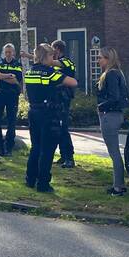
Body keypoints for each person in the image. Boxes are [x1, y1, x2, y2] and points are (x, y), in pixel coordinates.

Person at [23, 43, 77, 192]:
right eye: (51, 56)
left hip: (33, 112)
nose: (53, 58)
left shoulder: (29, 72)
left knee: (36, 147)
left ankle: (30, 179)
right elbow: (73, 82)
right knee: (47, 150)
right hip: (48, 114)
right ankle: (43, 184)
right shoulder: (50, 73)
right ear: (45, 57)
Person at [96, 47, 129, 196]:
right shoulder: (118, 73)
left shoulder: (110, 74)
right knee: (115, 152)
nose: (98, 61)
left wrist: (101, 106)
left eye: (100, 58)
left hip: (110, 115)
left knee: (114, 152)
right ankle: (118, 184)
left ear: (108, 59)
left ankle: (118, 186)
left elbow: (114, 97)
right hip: (116, 114)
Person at [0, 43, 23, 158]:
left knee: (11, 122)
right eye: (6, 52)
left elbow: (16, 80)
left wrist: (2, 76)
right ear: (4, 53)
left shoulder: (17, 64)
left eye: (10, 52)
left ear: (13, 53)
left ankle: (9, 148)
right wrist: (8, 75)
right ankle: (0, 148)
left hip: (12, 96)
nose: (8, 54)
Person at [51, 39, 78, 168]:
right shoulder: (57, 63)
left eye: (52, 49)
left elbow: (50, 62)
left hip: (64, 98)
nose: (51, 52)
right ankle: (63, 156)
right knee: (59, 127)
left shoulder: (67, 61)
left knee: (63, 128)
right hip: (58, 98)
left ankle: (70, 158)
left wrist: (31, 56)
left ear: (57, 49)